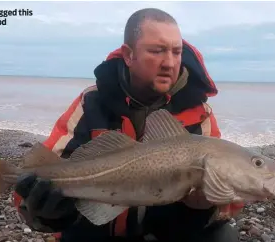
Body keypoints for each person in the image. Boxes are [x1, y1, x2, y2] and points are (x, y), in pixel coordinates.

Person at [13, 8, 243, 242]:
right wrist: (44, 212)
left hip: (164, 234)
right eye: (157, 51)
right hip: (96, 233)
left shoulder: (198, 112)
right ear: (128, 54)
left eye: (177, 52)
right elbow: (44, 168)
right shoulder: (91, 102)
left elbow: (229, 201)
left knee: (223, 236)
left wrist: (208, 206)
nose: (169, 63)